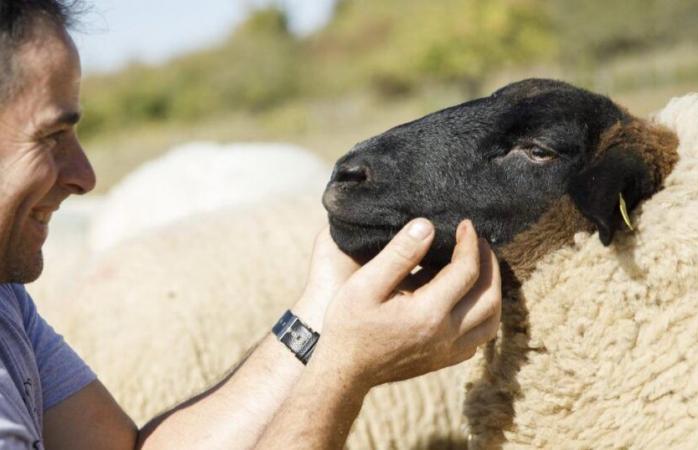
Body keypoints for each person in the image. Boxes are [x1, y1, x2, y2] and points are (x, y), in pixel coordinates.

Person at [0, 2, 502, 449]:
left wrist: (323, 309)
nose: (85, 176)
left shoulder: (8, 303)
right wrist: (343, 373)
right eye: (51, 136)